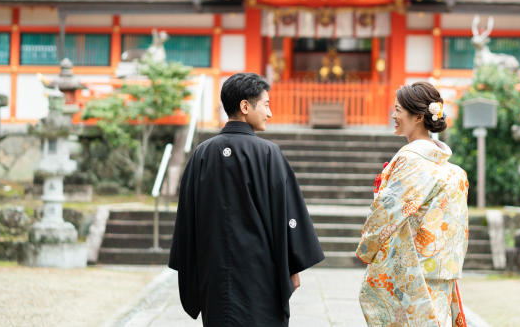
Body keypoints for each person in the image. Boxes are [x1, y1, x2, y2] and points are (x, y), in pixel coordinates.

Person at [169, 72, 325, 326]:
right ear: (245, 107)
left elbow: (187, 218)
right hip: (260, 274)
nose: (269, 113)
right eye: (266, 104)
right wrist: (292, 267)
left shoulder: (201, 154)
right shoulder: (269, 153)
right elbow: (288, 215)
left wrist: (193, 272)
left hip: (214, 274)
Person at [356, 82, 469, 327]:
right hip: (441, 267)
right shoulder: (455, 172)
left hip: (411, 269)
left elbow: (388, 211)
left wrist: (368, 246)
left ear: (418, 117)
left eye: (398, 110)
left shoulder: (410, 159)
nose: (393, 115)